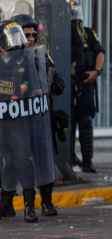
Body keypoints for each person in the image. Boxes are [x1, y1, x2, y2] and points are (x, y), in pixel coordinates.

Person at [0, 14, 66, 218]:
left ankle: (44, 202)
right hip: (11, 119)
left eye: (33, 35)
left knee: (41, 158)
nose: (30, 39)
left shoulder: (40, 56)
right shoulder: (8, 59)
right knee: (10, 161)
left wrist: (44, 86)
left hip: (37, 118)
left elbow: (58, 84)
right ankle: (7, 201)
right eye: (25, 34)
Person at [0, 20, 44, 222]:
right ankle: (6, 203)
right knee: (7, 164)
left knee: (23, 160)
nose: (16, 41)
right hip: (1, 121)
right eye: (12, 37)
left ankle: (29, 206)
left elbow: (35, 89)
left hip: (18, 122)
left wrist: (29, 89)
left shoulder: (24, 59)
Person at [71, 1, 104, 173]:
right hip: (69, 83)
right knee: (67, 124)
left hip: (86, 82)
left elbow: (100, 52)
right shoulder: (63, 31)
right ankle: (69, 157)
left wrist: (97, 71)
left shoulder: (89, 33)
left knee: (85, 122)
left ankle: (87, 161)